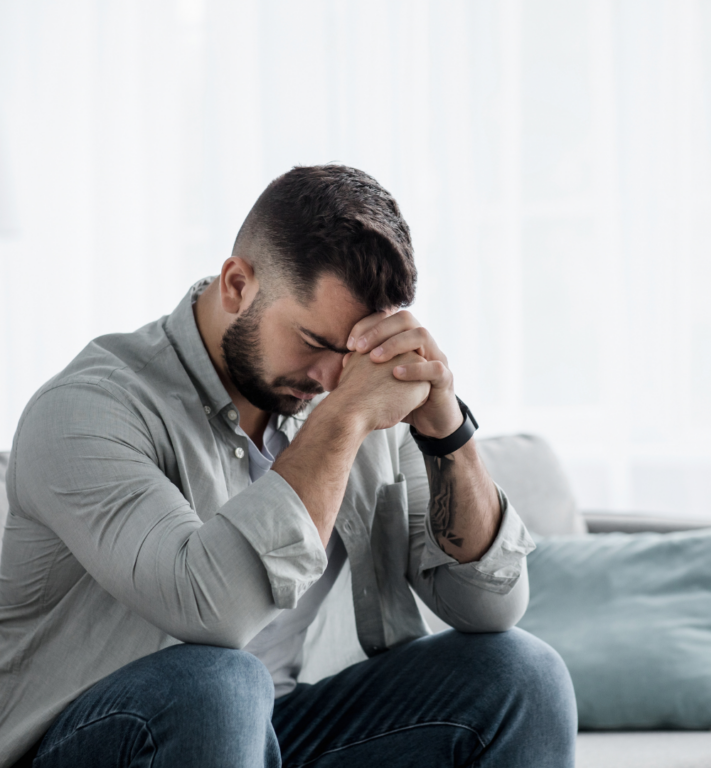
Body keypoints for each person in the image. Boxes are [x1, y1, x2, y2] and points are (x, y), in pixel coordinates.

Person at [0, 165, 576, 767]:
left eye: (354, 354)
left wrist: (446, 430)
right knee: (219, 685)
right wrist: (343, 418)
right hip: (96, 740)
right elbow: (212, 612)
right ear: (236, 285)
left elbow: (490, 607)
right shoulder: (86, 410)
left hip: (276, 730)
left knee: (522, 675)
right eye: (315, 342)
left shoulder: (350, 392)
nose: (331, 378)